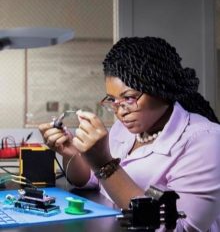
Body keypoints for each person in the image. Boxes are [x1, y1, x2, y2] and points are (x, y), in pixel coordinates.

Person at [39, 36, 220, 231]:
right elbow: (90, 180)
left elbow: (182, 227)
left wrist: (105, 164)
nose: (120, 110)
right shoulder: (124, 129)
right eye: (112, 100)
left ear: (160, 87)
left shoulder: (206, 140)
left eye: (129, 98)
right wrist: (72, 152)